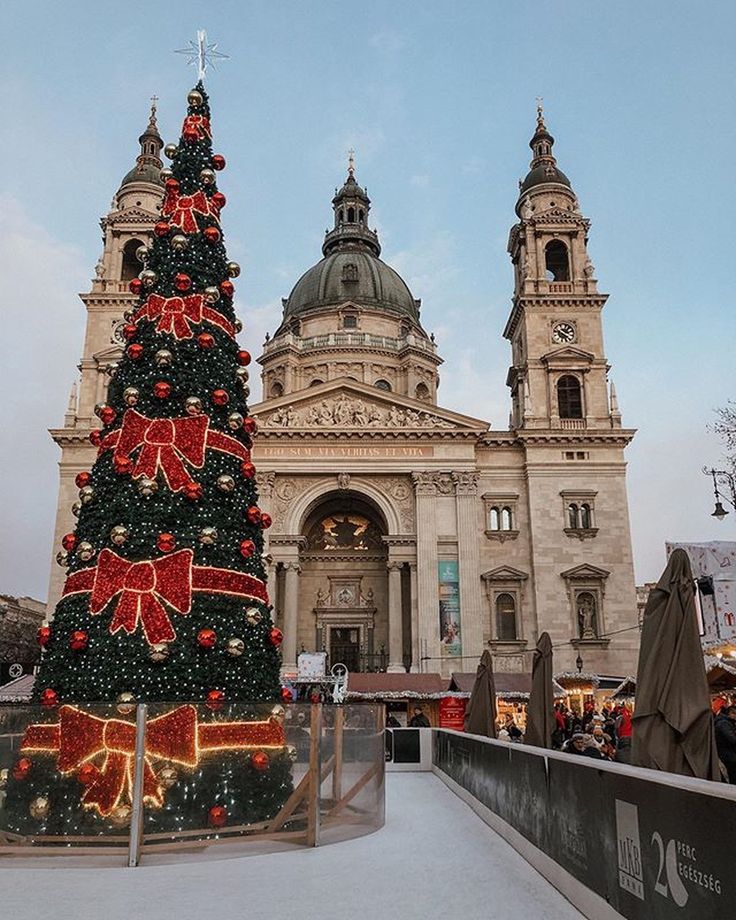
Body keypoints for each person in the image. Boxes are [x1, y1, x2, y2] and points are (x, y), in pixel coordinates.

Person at [715, 705, 736, 783]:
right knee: (733, 772)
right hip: (728, 753)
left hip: (726, 752)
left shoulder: (725, 722)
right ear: (731, 713)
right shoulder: (724, 724)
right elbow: (732, 739)